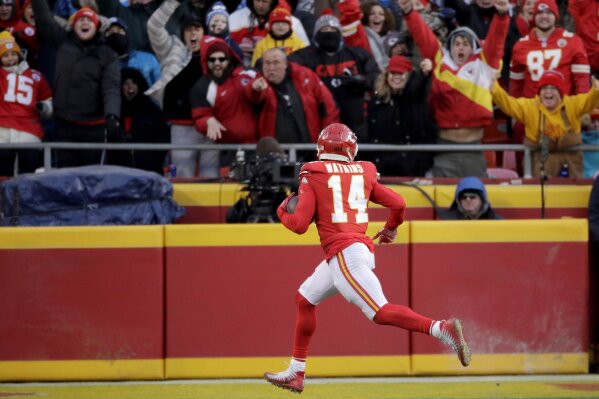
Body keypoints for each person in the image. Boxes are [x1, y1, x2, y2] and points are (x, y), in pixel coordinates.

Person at [264, 122, 471, 394]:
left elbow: (299, 224)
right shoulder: (365, 171)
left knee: (380, 312)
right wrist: (390, 229)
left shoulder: (313, 172)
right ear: (351, 149)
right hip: (353, 250)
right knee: (305, 298)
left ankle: (441, 328)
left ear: (321, 148)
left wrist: (281, 212)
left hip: (344, 253)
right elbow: (398, 204)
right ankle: (296, 372)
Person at [398, 0, 510, 177]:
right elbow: (423, 36)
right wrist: (409, 12)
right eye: (457, 43)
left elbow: (496, 41)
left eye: (466, 43)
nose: (461, 47)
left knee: (473, 199)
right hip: (443, 148)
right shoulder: (440, 63)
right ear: (450, 47)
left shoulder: (484, 65)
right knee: (442, 200)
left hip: (474, 149)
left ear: (473, 48)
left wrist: (502, 15)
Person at [31, 3, 121, 167]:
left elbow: (111, 88)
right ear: (73, 25)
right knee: (65, 179)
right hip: (64, 125)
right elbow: (44, 20)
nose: (85, 23)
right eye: (80, 20)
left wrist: (112, 115)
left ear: (97, 26)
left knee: (91, 179)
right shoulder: (62, 41)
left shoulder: (107, 54)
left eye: (89, 20)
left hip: (94, 129)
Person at [289, 10, 379, 142]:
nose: (329, 32)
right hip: (319, 119)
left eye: (333, 29)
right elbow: (284, 66)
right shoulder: (304, 56)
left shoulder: (358, 54)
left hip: (355, 122)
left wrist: (362, 80)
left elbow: (377, 78)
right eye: (324, 29)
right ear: (316, 34)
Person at [491, 71, 599, 178]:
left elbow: (588, 102)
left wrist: (596, 91)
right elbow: (508, 104)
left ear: (561, 92)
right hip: (540, 163)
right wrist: (494, 88)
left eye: (553, 88)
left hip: (571, 162)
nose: (548, 92)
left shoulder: (572, 104)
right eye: (544, 88)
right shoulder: (530, 107)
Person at [147, 0, 208, 178]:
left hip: (210, 124)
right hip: (180, 125)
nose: (193, 33)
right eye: (189, 29)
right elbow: (153, 26)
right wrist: (172, 3)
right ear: (182, 34)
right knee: (182, 176)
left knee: (211, 176)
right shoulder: (171, 49)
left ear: (204, 33)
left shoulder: (215, 53)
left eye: (197, 29)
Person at [246, 47, 339, 147]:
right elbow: (252, 96)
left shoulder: (305, 76)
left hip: (309, 147)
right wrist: (255, 90)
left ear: (285, 64)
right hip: (275, 151)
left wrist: (328, 139)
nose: (271, 68)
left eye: (276, 63)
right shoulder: (259, 81)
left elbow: (328, 107)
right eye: (267, 63)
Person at [366, 55, 436, 177]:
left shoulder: (415, 97)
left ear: (409, 75)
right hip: (383, 169)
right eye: (393, 73)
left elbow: (419, 86)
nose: (396, 77)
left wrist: (425, 74)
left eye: (400, 73)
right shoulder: (378, 100)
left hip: (412, 170)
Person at [189, 36, 260, 148]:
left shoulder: (248, 74)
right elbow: (199, 116)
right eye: (212, 60)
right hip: (226, 148)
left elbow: (265, 98)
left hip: (257, 145)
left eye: (221, 59)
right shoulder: (202, 86)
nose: (217, 63)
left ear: (229, 59)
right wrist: (207, 121)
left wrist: (260, 89)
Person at [0, 31, 52, 176]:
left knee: (28, 174)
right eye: (5, 55)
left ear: (20, 54)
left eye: (13, 54)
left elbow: (48, 98)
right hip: (3, 129)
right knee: (3, 173)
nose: (10, 58)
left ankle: (24, 199)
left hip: (29, 130)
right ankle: (4, 199)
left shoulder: (36, 75)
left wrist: (45, 107)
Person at [108, 67, 170, 175]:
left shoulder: (152, 111)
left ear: (140, 85)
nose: (130, 87)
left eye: (134, 83)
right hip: (120, 171)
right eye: (126, 84)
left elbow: (163, 138)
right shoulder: (115, 113)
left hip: (149, 170)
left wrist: (154, 161)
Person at [228, 0, 309, 67]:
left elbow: (306, 56)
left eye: (265, 1)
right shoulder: (234, 19)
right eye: (257, 1)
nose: (260, 5)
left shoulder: (291, 22)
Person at [104, 17, 161, 86]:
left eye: (120, 31)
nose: (116, 35)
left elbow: (160, 88)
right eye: (111, 32)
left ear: (127, 35)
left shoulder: (149, 59)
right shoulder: (100, 64)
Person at [438, 176, 502, 220]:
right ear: (458, 201)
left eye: (472, 197)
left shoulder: (498, 222)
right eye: (464, 197)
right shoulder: (446, 221)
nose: (468, 199)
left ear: (482, 200)